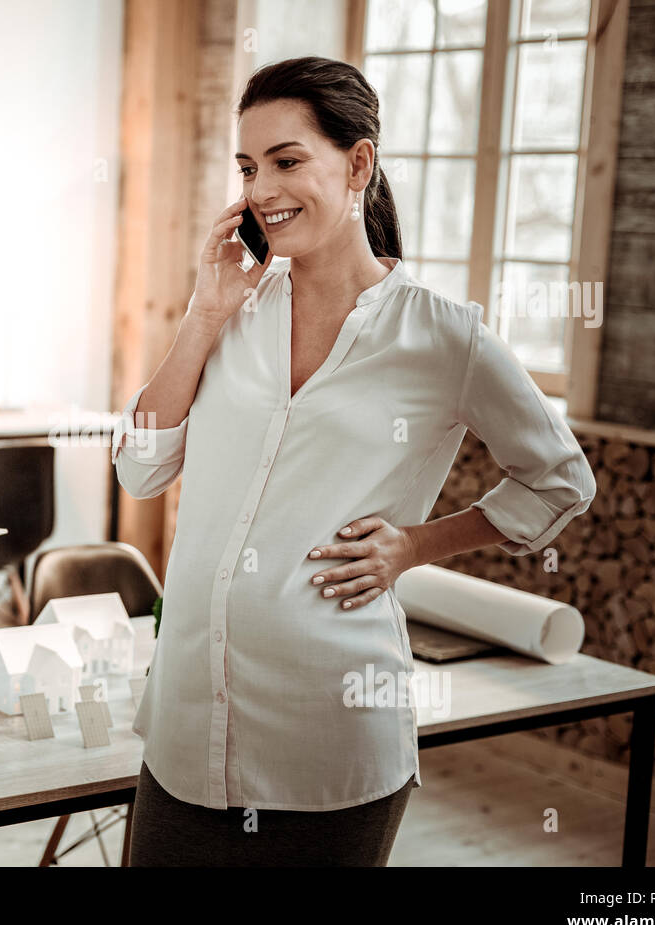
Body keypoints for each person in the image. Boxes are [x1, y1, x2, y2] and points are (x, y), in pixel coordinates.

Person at [111, 56, 598, 866]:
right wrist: (202, 316)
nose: (261, 189)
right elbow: (139, 470)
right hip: (187, 731)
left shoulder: (442, 335)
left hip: (329, 742)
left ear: (359, 164)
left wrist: (415, 546)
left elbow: (560, 479)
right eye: (248, 167)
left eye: (288, 160)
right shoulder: (233, 310)